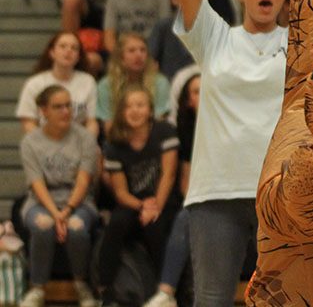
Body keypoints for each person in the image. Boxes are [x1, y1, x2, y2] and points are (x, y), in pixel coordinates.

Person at [132, 0, 287, 306]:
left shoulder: (301, 45)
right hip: (216, 192)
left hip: (282, 192)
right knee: (211, 301)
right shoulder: (215, 37)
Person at [96, 85, 179, 305]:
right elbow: (120, 192)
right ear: (121, 112)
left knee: (156, 225)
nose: (135, 111)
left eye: (140, 105)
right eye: (129, 106)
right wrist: (142, 206)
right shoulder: (114, 142)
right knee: (116, 223)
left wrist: (155, 206)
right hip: (134, 202)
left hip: (163, 199)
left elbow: (169, 174)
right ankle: (105, 291)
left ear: (150, 110)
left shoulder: (164, 131)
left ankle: (166, 293)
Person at [18, 85, 99, 307]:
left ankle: (82, 285)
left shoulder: (85, 138)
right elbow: (37, 184)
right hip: (42, 201)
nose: (65, 111)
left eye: (68, 106)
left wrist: (67, 211)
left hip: (79, 201)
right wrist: (55, 214)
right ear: (43, 111)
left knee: (76, 228)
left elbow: (83, 180)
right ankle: (37, 288)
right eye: (58, 107)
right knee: (42, 226)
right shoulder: (30, 142)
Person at [143, 72, 201, 307]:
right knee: (183, 216)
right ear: (188, 101)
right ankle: (166, 293)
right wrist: (196, 202)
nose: (204, 95)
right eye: (197, 92)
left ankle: (167, 291)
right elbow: (184, 179)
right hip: (200, 196)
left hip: (237, 192)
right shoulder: (186, 131)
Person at [16, 32, 99, 137]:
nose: (68, 51)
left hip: (77, 144)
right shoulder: (34, 84)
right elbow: (28, 123)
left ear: (78, 56)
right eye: (63, 46)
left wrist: (87, 144)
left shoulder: (88, 81)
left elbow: (91, 122)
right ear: (52, 52)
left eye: (74, 48)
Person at [96, 33, 170, 131]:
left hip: (151, 137)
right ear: (121, 57)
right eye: (131, 51)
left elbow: (160, 120)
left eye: (143, 50)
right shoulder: (106, 85)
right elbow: (108, 125)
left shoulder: (160, 82)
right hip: (118, 137)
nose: (139, 55)